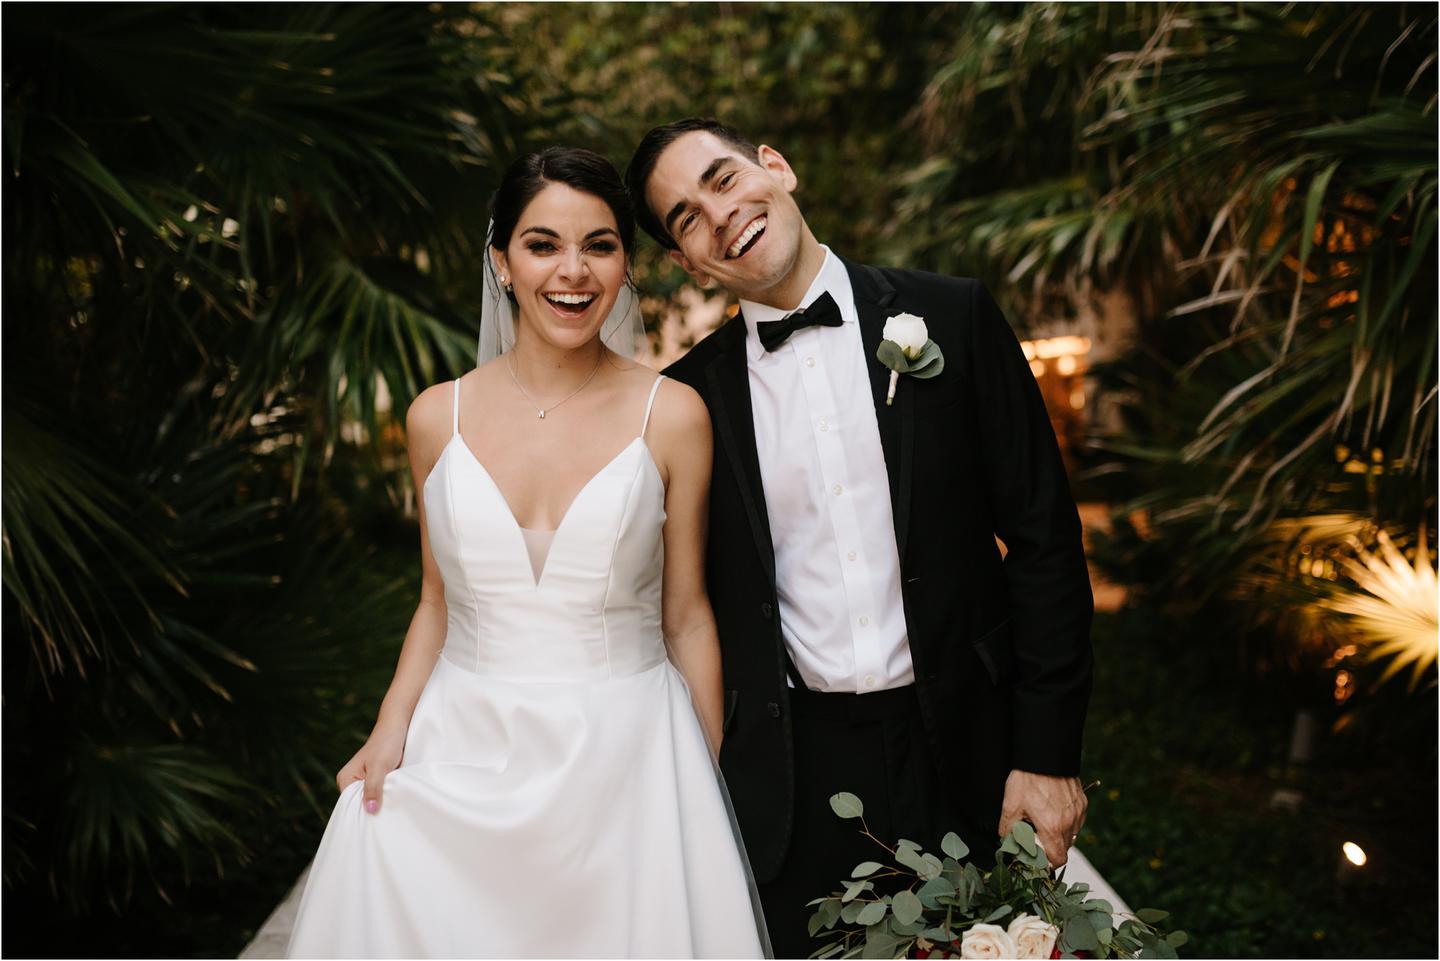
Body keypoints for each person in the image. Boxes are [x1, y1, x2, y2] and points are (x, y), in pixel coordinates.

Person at [626, 118, 1095, 958]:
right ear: (686, 262)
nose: (720, 215)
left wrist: (1048, 755)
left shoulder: (954, 314)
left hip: (970, 751)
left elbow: (1045, 542)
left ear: (776, 166)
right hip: (794, 781)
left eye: (724, 179)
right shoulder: (686, 400)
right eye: (687, 217)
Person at [286, 147, 769, 958]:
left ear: (625, 265)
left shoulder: (674, 414)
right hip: (462, 752)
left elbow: (686, 613)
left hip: (629, 761)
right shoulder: (436, 418)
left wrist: (702, 783)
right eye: (543, 243)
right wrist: (389, 724)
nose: (572, 271)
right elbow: (436, 602)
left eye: (601, 245)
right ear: (501, 261)